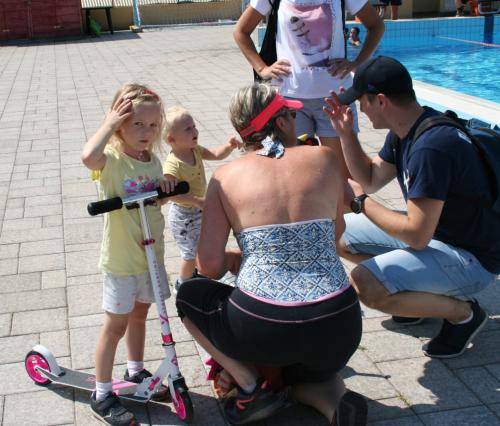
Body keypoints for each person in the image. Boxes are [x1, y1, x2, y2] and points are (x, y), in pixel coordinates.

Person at [176, 83, 366, 425]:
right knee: (311, 370)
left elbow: (210, 266)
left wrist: (244, 256)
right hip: (339, 323)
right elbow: (335, 233)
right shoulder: (324, 158)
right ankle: (336, 405)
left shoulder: (225, 176)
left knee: (188, 294)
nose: (296, 120)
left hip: (264, 326)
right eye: (291, 114)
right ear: (280, 122)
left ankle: (251, 386)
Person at [324, 56, 499, 359]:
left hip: (472, 258)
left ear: (381, 101)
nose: (360, 109)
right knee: (336, 231)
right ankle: (415, 296)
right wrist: (346, 135)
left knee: (367, 284)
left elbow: (416, 235)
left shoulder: (432, 147)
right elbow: (370, 179)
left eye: (362, 101)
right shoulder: (407, 130)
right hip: (440, 236)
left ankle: (463, 315)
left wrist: (361, 203)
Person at [81, 83, 176, 425]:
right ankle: (102, 392)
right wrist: (107, 124)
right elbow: (88, 156)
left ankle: (135, 370)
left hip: (150, 257)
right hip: (122, 261)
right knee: (115, 325)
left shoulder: (152, 160)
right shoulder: (112, 161)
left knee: (140, 316)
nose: (146, 132)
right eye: (137, 124)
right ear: (119, 125)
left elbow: (155, 199)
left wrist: (165, 187)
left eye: (153, 125)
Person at [234, 0, 384, 181]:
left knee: (344, 177)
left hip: (335, 98)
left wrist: (357, 64)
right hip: (290, 103)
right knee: (298, 177)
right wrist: (262, 69)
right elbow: (241, 32)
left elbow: (376, 25)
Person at [163, 106, 240, 292]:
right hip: (183, 216)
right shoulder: (173, 165)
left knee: (204, 244)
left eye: (194, 126)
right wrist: (196, 200)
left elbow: (215, 154)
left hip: (199, 208)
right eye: (187, 129)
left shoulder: (195, 150)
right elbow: (171, 194)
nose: (195, 131)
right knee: (190, 253)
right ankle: (183, 283)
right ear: (171, 139)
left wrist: (228, 147)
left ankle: (200, 274)